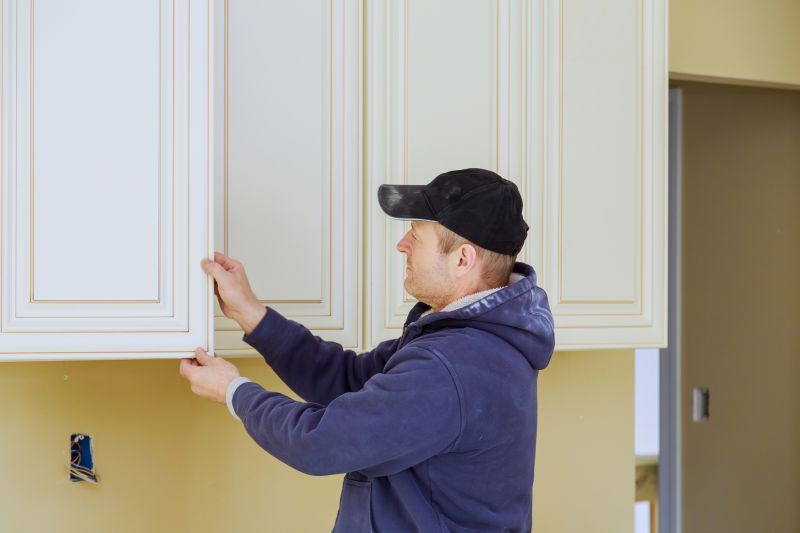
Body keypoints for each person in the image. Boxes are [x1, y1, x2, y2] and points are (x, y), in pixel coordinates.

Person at [179, 167, 555, 532]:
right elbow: (351, 379)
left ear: (462, 260)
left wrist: (233, 391)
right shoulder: (464, 338)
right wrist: (252, 315)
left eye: (416, 235)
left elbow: (319, 442)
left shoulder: (451, 365)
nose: (401, 244)